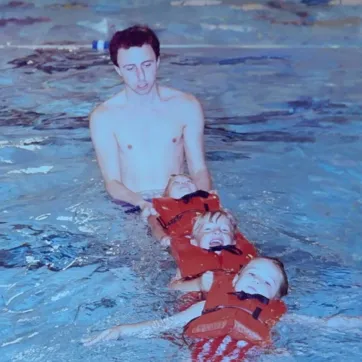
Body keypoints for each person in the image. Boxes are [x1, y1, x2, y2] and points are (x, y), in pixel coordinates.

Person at [82, 257, 362, 360]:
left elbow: (326, 324)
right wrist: (119, 331)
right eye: (252, 274)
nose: (256, 282)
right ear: (237, 278)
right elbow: (162, 325)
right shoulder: (207, 306)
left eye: (266, 282)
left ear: (275, 298)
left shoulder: (274, 317)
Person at [89, 25, 212, 219]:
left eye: (147, 65)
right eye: (130, 68)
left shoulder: (186, 106)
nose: (140, 76)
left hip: (180, 202)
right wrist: (142, 204)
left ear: (158, 62)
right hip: (131, 206)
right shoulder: (104, 117)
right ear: (118, 70)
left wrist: (204, 202)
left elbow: (198, 169)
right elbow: (112, 182)